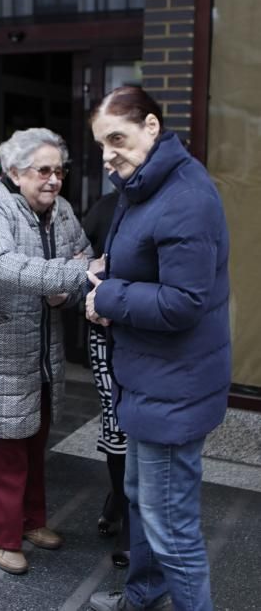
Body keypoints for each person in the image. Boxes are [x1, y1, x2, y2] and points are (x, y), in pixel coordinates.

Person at [85, 86, 231, 611]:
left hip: (175, 389)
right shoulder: (147, 184)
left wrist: (109, 295)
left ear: (151, 126)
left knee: (174, 530)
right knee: (141, 500)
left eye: (117, 138)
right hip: (152, 381)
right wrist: (111, 272)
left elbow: (183, 302)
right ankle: (144, 596)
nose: (108, 154)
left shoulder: (184, 196)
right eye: (102, 144)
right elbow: (152, 263)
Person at [0, 127, 104, 575]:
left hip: (39, 351)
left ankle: (31, 521)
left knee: (34, 441)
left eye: (59, 171)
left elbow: (83, 259)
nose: (54, 180)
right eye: (43, 171)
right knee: (4, 452)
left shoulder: (63, 209)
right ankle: (1, 535)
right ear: (15, 172)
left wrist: (67, 287)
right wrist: (69, 278)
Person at [83, 190, 130, 569]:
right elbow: (80, 261)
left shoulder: (175, 206)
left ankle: (132, 520)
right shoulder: (104, 206)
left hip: (149, 334)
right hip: (105, 335)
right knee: (115, 425)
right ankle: (119, 496)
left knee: (142, 430)